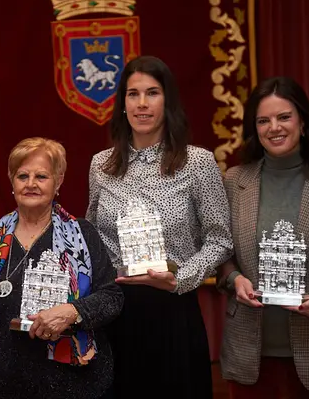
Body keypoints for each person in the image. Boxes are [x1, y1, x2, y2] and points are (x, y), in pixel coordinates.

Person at [86, 55, 233, 398]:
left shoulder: (197, 162)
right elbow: (91, 235)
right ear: (122, 104)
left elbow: (220, 239)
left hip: (173, 311)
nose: (142, 103)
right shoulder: (100, 165)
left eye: (152, 93)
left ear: (168, 101)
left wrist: (179, 279)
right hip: (114, 313)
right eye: (133, 94)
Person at [216, 76, 309, 398]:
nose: (274, 127)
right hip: (250, 353)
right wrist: (234, 279)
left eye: (284, 117)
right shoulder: (234, 181)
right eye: (263, 120)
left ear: (302, 122)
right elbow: (221, 252)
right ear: (254, 128)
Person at [0, 137, 123, 399]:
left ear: (58, 181)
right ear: (12, 180)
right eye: (23, 176)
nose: (31, 184)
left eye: (41, 176)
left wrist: (73, 311)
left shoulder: (83, 235)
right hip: (3, 384)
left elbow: (112, 298)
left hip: (75, 385)